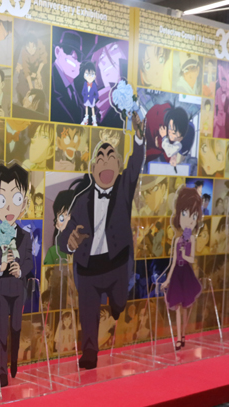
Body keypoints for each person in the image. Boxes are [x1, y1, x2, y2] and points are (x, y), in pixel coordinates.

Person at [58, 114, 145, 369]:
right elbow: (64, 237)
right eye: (100, 158)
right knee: (88, 312)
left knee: (119, 302)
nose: (106, 162)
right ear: (93, 168)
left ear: (118, 166)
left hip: (116, 262)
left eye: (111, 158)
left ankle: (118, 304)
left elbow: (135, 163)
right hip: (88, 267)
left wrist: (139, 137)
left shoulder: (123, 190)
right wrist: (70, 242)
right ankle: (89, 352)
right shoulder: (81, 201)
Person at [0, 163, 33, 384]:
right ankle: (2, 372)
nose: (10, 207)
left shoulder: (25, 236)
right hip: (1, 290)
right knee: (2, 331)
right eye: (3, 201)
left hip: (19, 289)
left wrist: (20, 270)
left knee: (16, 328)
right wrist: (1, 268)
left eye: (16, 198)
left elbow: (29, 262)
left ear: (23, 203)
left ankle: (14, 362)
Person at [162, 186, 203, 349]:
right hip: (177, 273)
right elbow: (173, 262)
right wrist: (167, 280)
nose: (189, 220)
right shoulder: (177, 240)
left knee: (185, 306)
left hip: (186, 272)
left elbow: (191, 258)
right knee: (178, 307)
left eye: (194, 216)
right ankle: (178, 338)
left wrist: (184, 254)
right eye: (185, 214)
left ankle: (183, 334)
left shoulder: (191, 239)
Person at [51, 31, 83, 125]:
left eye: (79, 55)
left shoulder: (77, 91)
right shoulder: (48, 83)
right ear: (57, 52)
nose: (74, 56)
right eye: (68, 50)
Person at [44, 189, 75, 265]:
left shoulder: (89, 250)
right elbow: (47, 271)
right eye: (62, 218)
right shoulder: (52, 253)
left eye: (72, 217)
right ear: (57, 224)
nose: (67, 223)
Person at [80, 61, 98, 126]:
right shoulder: (85, 84)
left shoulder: (94, 85)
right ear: (84, 76)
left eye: (92, 75)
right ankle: (86, 119)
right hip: (86, 99)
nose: (89, 77)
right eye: (87, 74)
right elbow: (83, 91)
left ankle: (94, 121)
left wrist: (94, 99)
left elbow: (96, 94)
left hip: (92, 99)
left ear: (95, 76)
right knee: (86, 108)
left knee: (92, 109)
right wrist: (84, 96)